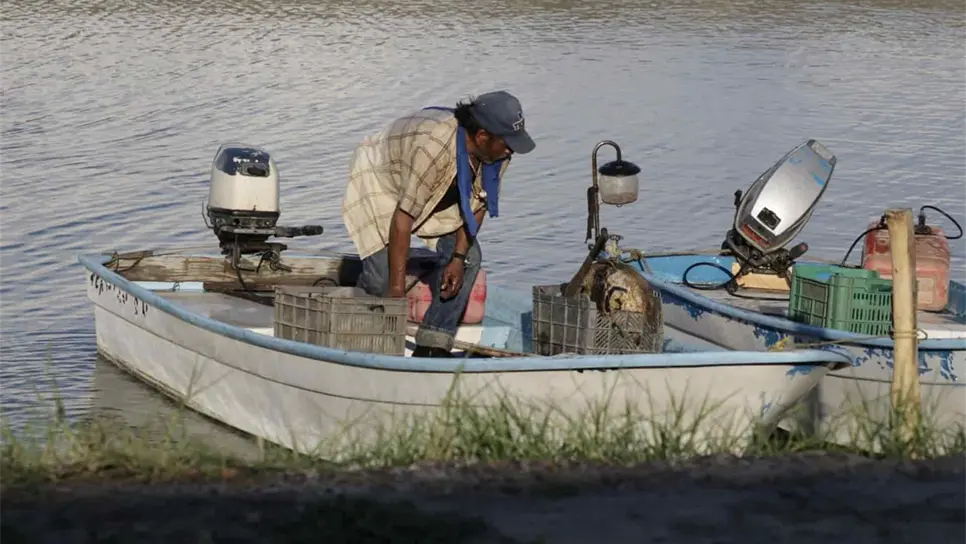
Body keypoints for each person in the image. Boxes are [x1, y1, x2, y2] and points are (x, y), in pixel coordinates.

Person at [342, 90, 535, 357]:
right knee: (382, 281)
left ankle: (432, 345)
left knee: (470, 259)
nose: (511, 149)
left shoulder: (497, 154)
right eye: (507, 142)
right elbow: (403, 218)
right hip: (383, 179)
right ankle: (359, 340)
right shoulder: (432, 145)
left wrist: (457, 258)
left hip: (440, 188)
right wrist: (396, 292)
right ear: (482, 136)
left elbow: (478, 204)